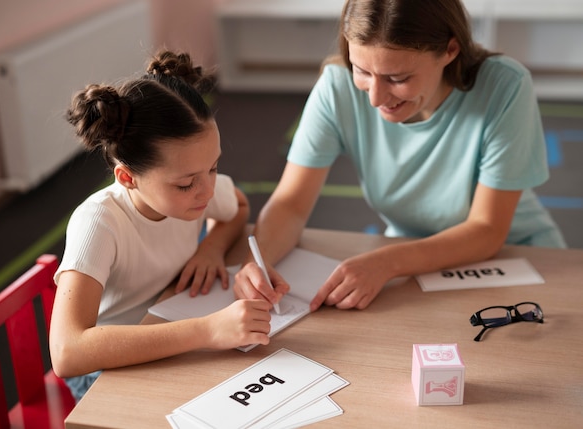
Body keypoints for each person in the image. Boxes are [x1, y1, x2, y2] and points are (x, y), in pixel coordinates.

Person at [233, 0, 566, 312]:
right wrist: (258, 263)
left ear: (451, 49)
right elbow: (291, 203)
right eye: (361, 70)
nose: (376, 97)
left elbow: (487, 229)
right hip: (411, 256)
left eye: (398, 78)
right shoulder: (337, 86)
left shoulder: (505, 85)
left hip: (517, 254)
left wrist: (387, 262)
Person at [49, 49, 272, 401]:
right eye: (186, 183)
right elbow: (67, 352)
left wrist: (211, 248)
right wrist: (208, 331)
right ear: (127, 178)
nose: (208, 190)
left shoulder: (192, 186)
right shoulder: (99, 223)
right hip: (108, 367)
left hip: (171, 324)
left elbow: (238, 206)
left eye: (213, 168)